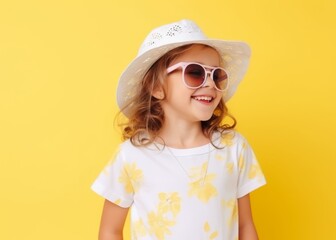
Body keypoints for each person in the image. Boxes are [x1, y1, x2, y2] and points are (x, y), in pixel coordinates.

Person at [91, 19, 266, 240]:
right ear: (156, 87)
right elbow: (110, 230)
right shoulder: (132, 155)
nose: (210, 83)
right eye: (195, 73)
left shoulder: (233, 148)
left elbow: (245, 226)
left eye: (217, 75)